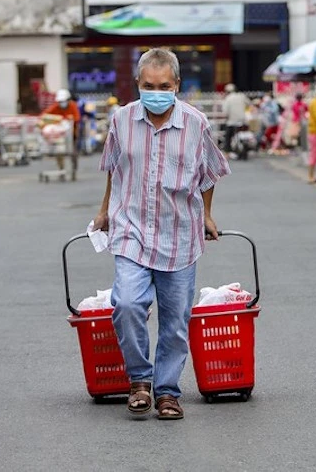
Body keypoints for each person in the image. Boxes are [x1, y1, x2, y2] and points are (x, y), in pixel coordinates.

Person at [92, 47, 229, 420]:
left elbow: (209, 173)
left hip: (179, 232)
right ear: (138, 83)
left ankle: (167, 392)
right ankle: (140, 379)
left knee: (175, 320)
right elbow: (114, 168)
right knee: (126, 303)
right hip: (131, 228)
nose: (156, 92)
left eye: (164, 86)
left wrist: (207, 215)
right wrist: (105, 211)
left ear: (176, 85)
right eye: (149, 86)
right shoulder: (121, 120)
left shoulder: (196, 123)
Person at [42, 88, 81, 173]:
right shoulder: (56, 107)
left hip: (72, 134)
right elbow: (45, 115)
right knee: (59, 151)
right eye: (60, 102)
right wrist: (55, 120)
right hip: (59, 135)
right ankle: (61, 168)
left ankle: (74, 167)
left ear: (68, 100)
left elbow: (77, 118)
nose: (62, 103)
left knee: (73, 151)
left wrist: (69, 119)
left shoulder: (73, 106)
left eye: (63, 101)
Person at [221, 83, 249, 157]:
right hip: (242, 121)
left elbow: (225, 111)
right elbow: (248, 104)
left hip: (232, 122)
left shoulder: (228, 98)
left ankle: (227, 151)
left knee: (228, 137)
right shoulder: (242, 96)